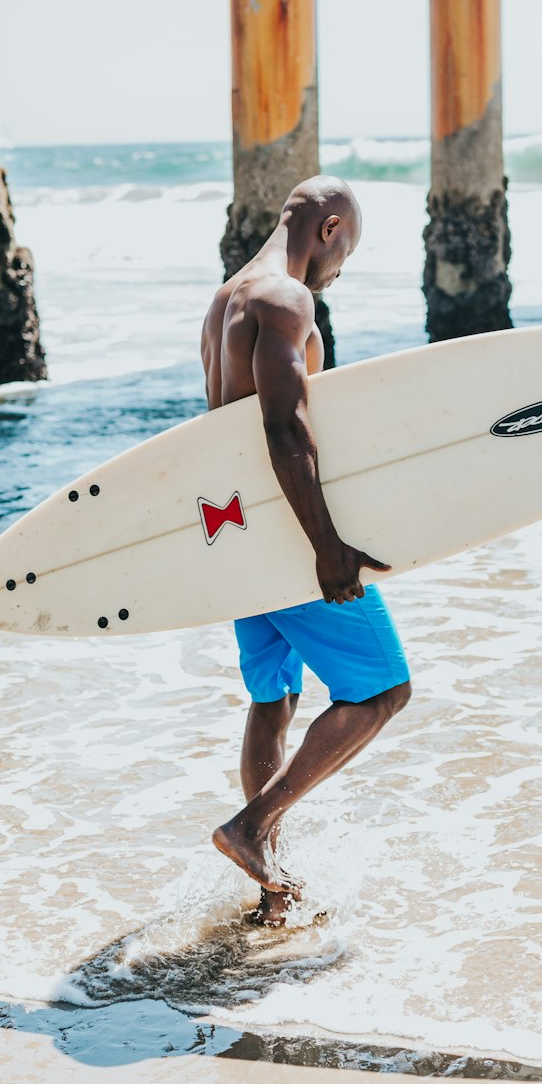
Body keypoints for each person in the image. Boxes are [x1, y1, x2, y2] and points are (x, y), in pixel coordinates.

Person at [200, 175, 412, 925]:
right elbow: (283, 429)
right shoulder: (287, 300)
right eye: (345, 248)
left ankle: (269, 885)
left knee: (274, 699)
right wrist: (328, 548)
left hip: (237, 531)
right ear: (327, 228)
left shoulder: (227, 298)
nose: (341, 267)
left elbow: (218, 433)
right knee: (383, 689)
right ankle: (252, 828)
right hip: (288, 532)